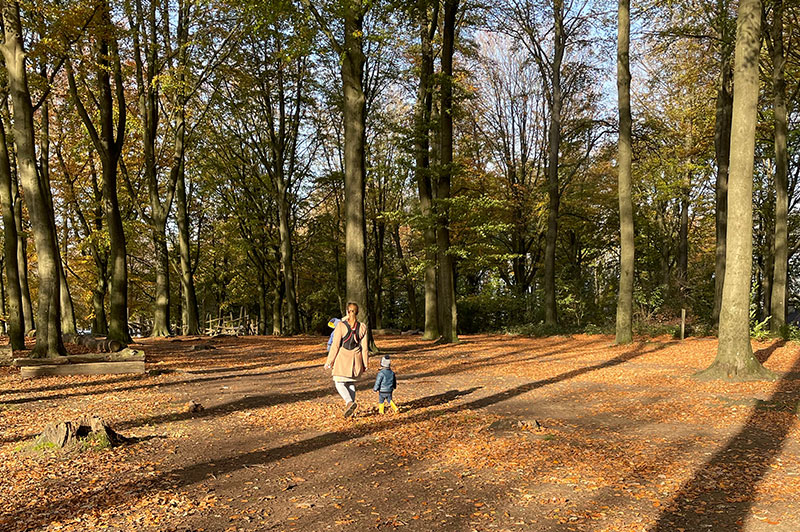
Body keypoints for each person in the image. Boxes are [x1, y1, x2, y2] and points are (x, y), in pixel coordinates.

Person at [324, 302, 369, 418]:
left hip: (343, 359)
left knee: (338, 382)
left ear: (347, 312)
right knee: (350, 383)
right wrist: (365, 363)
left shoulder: (341, 326)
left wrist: (329, 361)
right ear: (357, 312)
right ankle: (351, 410)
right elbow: (365, 349)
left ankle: (349, 402)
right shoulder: (363, 327)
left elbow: (335, 346)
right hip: (356, 359)